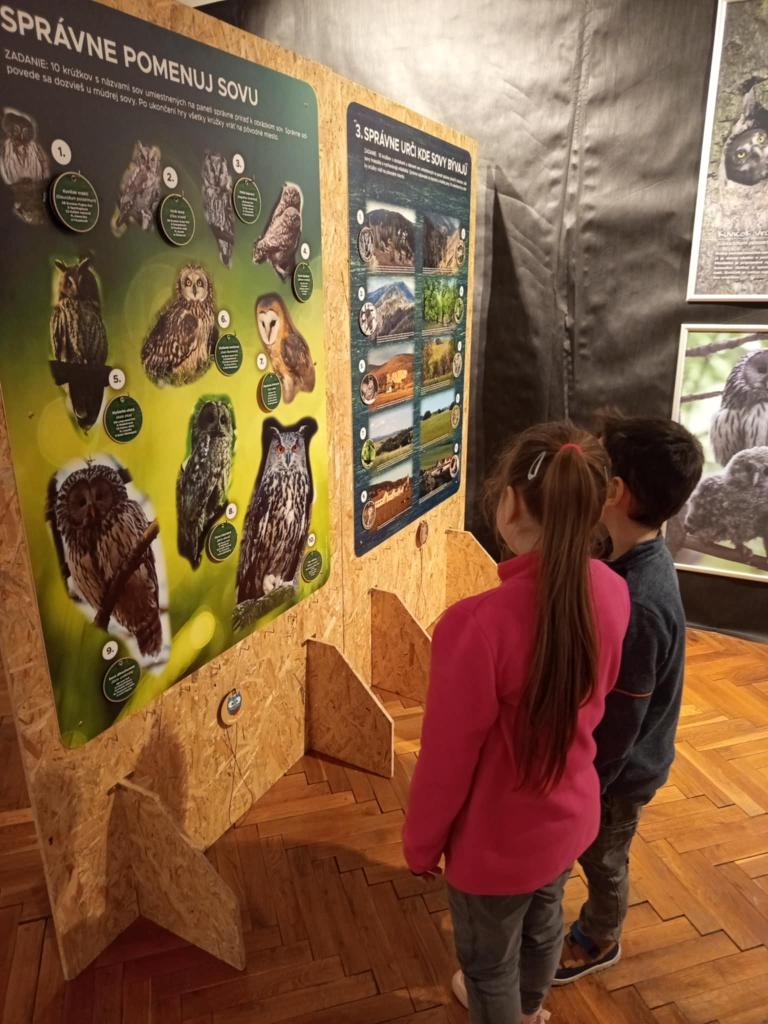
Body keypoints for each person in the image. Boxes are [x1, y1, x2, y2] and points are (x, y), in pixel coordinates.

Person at [403, 422, 631, 1024]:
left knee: (487, 966)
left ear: (509, 505)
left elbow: (446, 763)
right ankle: (530, 1011)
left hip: (495, 848)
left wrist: (420, 845)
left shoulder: (474, 626)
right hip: (569, 820)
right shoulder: (613, 591)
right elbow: (601, 695)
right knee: (543, 923)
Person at [554, 416, 704, 986]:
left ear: (615, 491)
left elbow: (622, 721)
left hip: (618, 777)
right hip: (606, 762)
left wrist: (584, 786)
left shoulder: (640, 602)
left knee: (604, 858)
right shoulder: (622, 555)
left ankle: (600, 937)